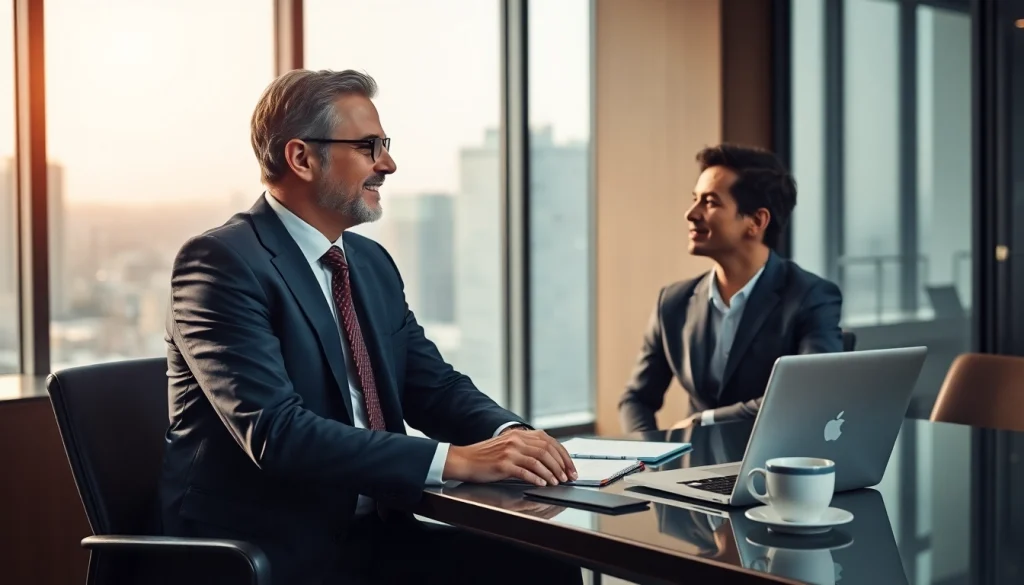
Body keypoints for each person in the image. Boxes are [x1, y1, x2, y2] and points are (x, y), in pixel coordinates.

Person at [159, 69, 582, 585]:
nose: (388, 164)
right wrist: (455, 460)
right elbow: (276, 432)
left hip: (377, 535)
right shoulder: (221, 263)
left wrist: (511, 437)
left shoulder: (369, 262)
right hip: (271, 550)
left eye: (385, 145)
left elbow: (432, 385)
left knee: (545, 563)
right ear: (301, 158)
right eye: (369, 147)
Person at [619, 144, 843, 433]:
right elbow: (636, 400)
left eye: (710, 202)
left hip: (775, 458)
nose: (691, 213)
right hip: (693, 459)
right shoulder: (673, 302)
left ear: (757, 221)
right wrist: (651, 452)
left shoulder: (811, 296)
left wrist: (705, 420)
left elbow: (808, 393)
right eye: (695, 199)